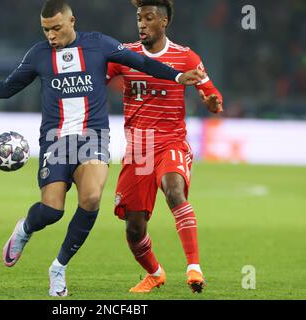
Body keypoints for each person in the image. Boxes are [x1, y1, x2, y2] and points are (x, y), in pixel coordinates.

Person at [0, 0, 204, 297]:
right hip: (56, 140)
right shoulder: (38, 55)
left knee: (91, 198)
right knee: (51, 211)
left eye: (57, 28)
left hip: (93, 137)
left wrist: (177, 76)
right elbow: (6, 88)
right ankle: (25, 229)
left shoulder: (99, 44)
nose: (51, 35)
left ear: (72, 21)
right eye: (46, 29)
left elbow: (144, 63)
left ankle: (58, 267)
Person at [107, 0, 223, 294]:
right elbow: (94, 82)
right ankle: (155, 273)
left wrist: (212, 102)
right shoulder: (125, 55)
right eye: (139, 18)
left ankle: (194, 267)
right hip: (138, 148)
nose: (142, 23)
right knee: (134, 229)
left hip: (171, 141)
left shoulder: (185, 58)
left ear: (164, 22)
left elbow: (212, 96)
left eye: (148, 18)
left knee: (174, 190)